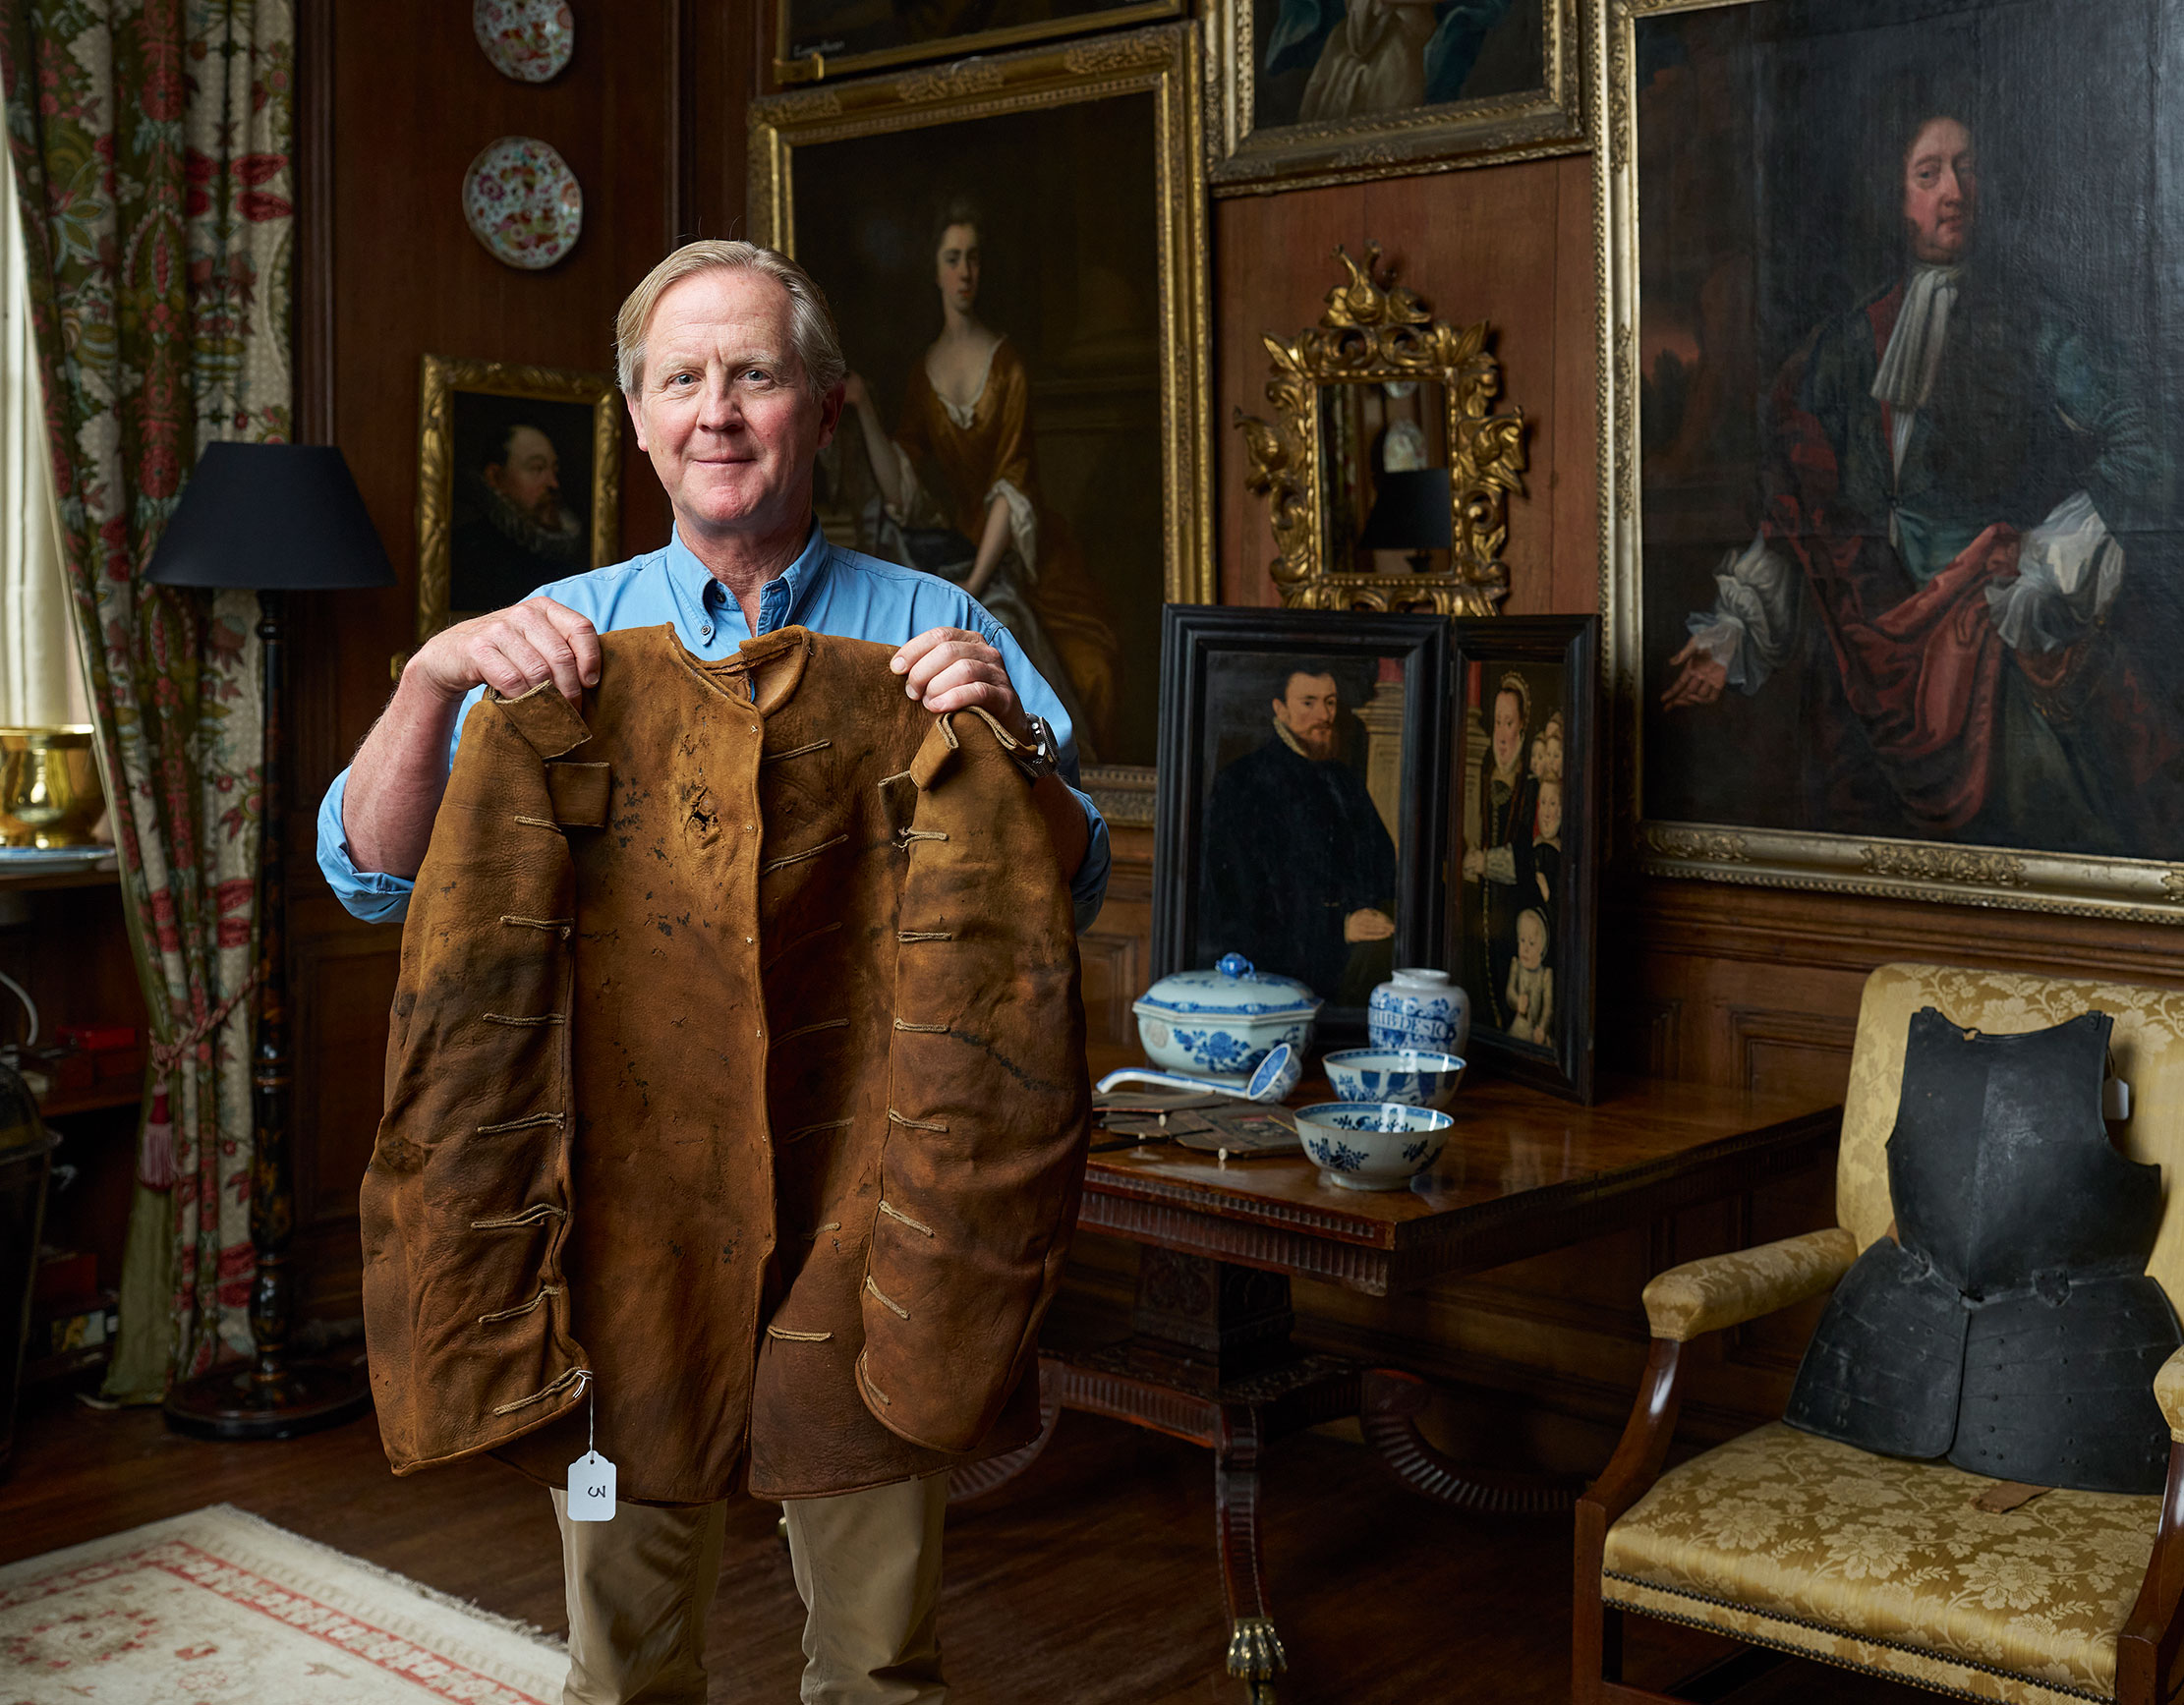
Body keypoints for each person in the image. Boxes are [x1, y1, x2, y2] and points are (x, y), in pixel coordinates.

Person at [317, 239, 1110, 1705]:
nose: (717, 409)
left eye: (754, 373)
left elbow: (1065, 881)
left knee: (878, 1661)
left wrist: (1014, 736)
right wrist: (433, 680)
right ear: (636, 415)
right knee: (620, 1661)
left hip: (873, 1196)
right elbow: (368, 872)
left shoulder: (946, 628)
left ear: (819, 403)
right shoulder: (561, 634)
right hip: (627, 1209)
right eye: (682, 378)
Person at [1659, 111, 2170, 851]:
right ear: (1897, 197)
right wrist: (1735, 628)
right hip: (1863, 668)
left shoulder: (2034, 327)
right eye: (1928, 174)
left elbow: (2146, 440)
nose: (1953, 191)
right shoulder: (1841, 346)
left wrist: (2049, 552)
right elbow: (1802, 506)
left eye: (1966, 169)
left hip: (1989, 662)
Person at [838, 199, 1122, 759]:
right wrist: (865, 406)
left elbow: (1012, 484)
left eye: (972, 258)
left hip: (1012, 551)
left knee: (1078, 665)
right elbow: (902, 491)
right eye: (952, 258)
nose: (965, 271)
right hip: (955, 550)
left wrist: (975, 585)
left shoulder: (1008, 363)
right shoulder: (923, 374)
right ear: (936, 271)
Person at [1198, 666, 1397, 1006]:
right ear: (1280, 709)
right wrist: (1337, 927)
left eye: (1330, 702)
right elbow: (1240, 904)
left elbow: (1382, 864)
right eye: (1309, 702)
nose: (1324, 715)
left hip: (1354, 968)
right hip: (1276, 977)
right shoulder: (1243, 782)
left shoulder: (1343, 781)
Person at [450, 420, 588, 612]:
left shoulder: (567, 555)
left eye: (554, 469)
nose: (553, 483)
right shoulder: (469, 551)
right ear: (495, 476)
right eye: (537, 468)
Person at [1460, 672, 1533, 1031]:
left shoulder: (1529, 781)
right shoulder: (1485, 769)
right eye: (1497, 722)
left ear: (1521, 726)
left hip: (1515, 905)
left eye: (1509, 722)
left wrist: (1488, 862)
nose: (1501, 733)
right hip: (1482, 903)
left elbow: (1527, 854)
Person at [1505, 906, 1552, 1049]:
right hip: (1519, 1028)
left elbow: (1548, 1008)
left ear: (1541, 948)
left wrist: (1542, 1028)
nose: (1525, 948)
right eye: (1522, 941)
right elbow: (1510, 992)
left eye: (1531, 943)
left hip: (1536, 1033)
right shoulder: (1516, 966)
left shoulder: (1545, 975)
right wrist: (1517, 1001)